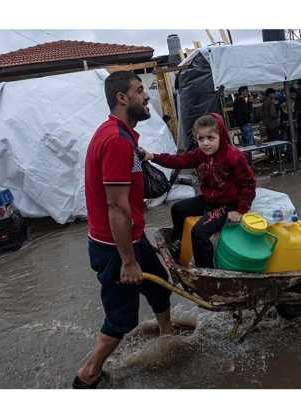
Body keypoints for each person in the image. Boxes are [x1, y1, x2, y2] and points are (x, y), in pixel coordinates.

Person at [75, 71, 174, 389]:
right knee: (122, 319)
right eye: (140, 90)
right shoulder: (116, 141)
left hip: (129, 237)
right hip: (116, 246)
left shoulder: (120, 134)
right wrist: (128, 261)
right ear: (122, 98)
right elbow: (116, 207)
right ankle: (88, 375)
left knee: (160, 287)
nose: (147, 97)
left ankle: (167, 338)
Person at [141, 113, 256, 269]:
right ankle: (179, 244)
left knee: (199, 232)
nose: (206, 143)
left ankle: (206, 272)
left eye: (210, 138)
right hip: (210, 200)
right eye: (201, 139)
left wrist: (241, 210)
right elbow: (178, 160)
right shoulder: (199, 155)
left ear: (221, 135)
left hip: (228, 205)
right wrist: (152, 156)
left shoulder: (234, 157)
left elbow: (248, 184)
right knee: (178, 209)